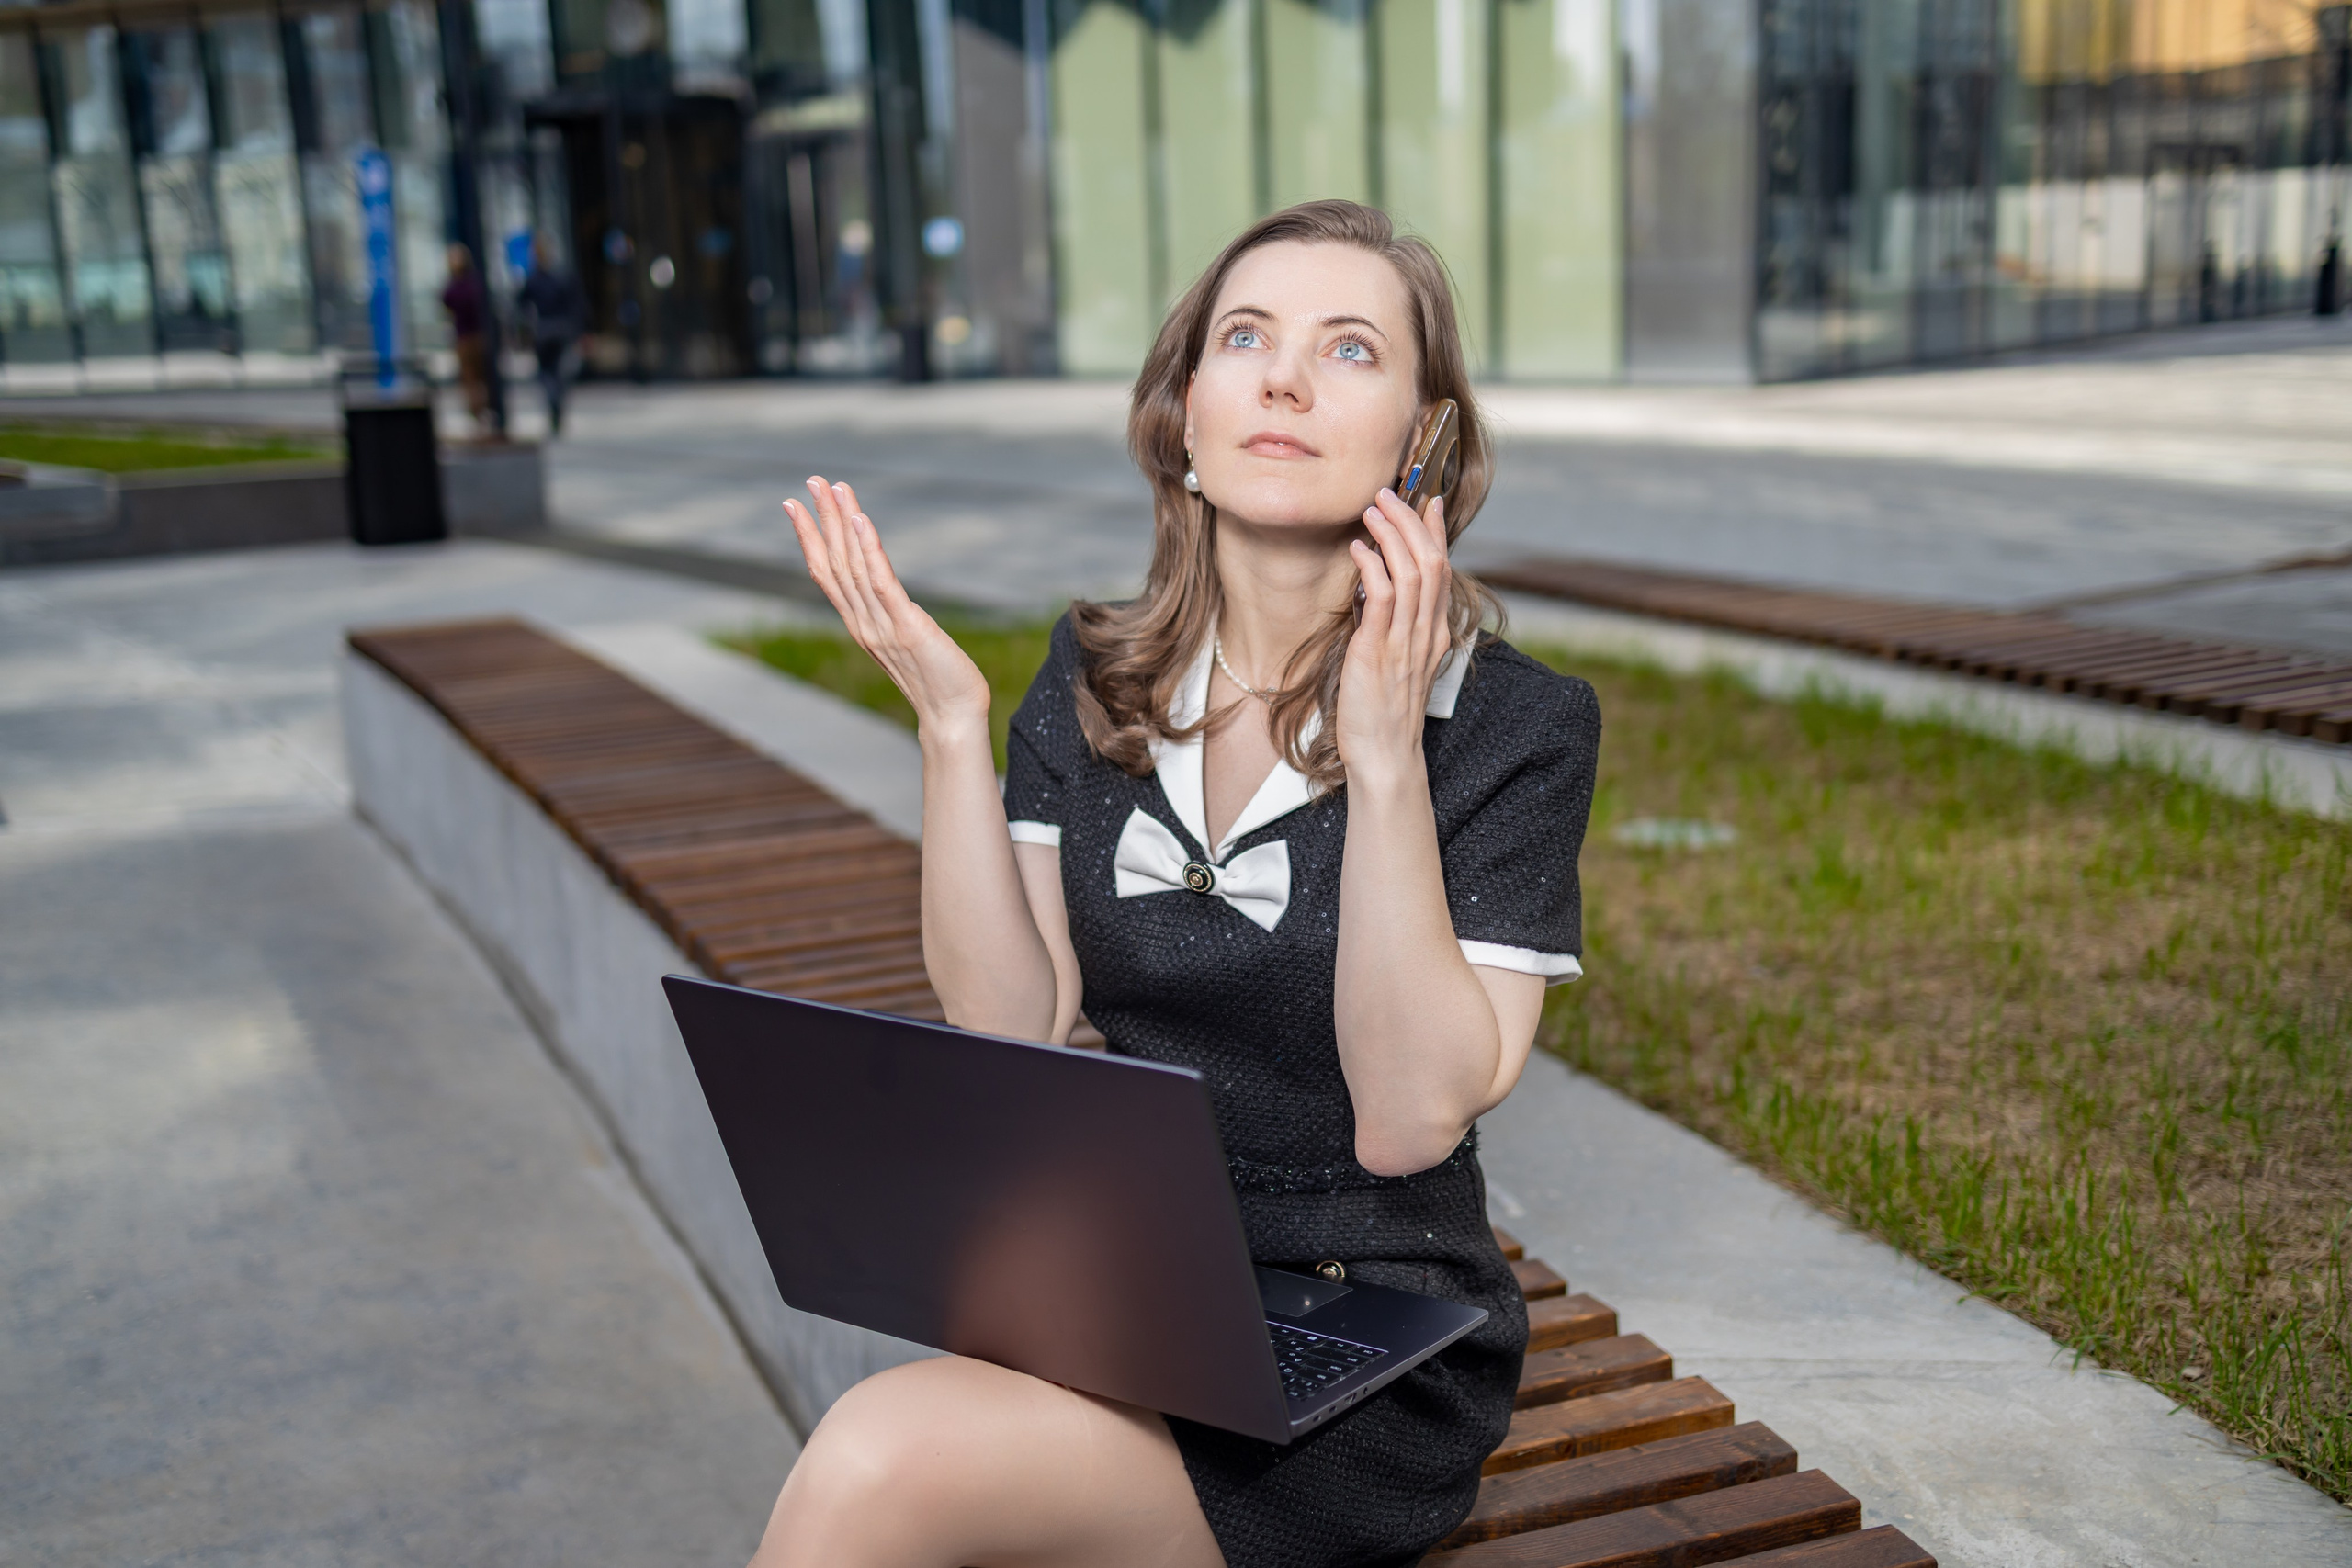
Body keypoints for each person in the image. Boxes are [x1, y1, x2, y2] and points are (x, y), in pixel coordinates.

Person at [772, 198, 1599, 1568]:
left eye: (1347, 349)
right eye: (1246, 338)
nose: (1284, 379)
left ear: (1424, 439)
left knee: (875, 1457)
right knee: (897, 1449)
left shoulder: (1515, 725)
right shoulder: (1093, 672)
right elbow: (1010, 1025)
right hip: (1129, 1284)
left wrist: (1385, 758)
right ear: (1183, 417)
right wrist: (950, 729)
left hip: (1367, 1331)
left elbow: (1408, 1119)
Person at [516, 233, 585, 435]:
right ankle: (556, 402)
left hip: (545, 329)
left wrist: (525, 329)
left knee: (547, 373)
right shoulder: (561, 276)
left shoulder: (533, 279)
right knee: (558, 372)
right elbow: (577, 305)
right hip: (560, 329)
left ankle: (553, 401)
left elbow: (521, 306)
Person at [438, 243, 492, 432]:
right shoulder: (454, 286)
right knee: (469, 377)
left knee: (480, 376)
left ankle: (482, 409)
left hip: (477, 334)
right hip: (464, 336)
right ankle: (477, 412)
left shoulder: (471, 283)